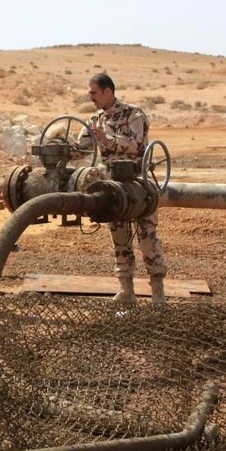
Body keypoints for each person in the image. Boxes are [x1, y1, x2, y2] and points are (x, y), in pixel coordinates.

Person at [77, 73, 167, 304]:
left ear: (108, 92)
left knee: (147, 239)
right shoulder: (95, 119)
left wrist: (106, 141)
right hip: (112, 187)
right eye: (89, 93)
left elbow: (136, 144)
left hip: (139, 184)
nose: (90, 98)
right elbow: (82, 148)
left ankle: (158, 294)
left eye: (94, 93)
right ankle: (126, 291)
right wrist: (61, 148)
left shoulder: (134, 114)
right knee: (119, 238)